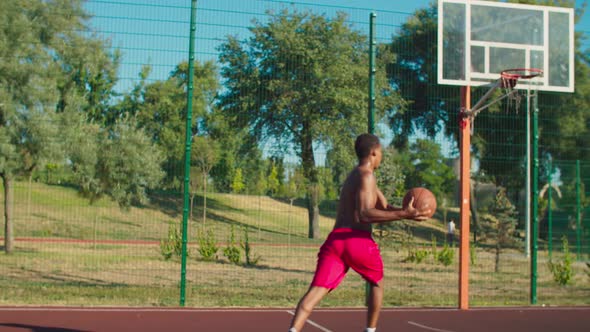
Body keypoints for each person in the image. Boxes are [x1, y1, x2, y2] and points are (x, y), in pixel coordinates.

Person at [288, 133, 431, 332]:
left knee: (315, 292)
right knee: (377, 283)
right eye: (381, 152)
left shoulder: (355, 175)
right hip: (357, 240)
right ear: (374, 152)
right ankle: (370, 330)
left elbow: (385, 207)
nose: (381, 156)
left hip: (336, 241)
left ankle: (293, 329)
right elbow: (365, 214)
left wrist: (407, 213)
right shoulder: (367, 175)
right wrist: (403, 214)